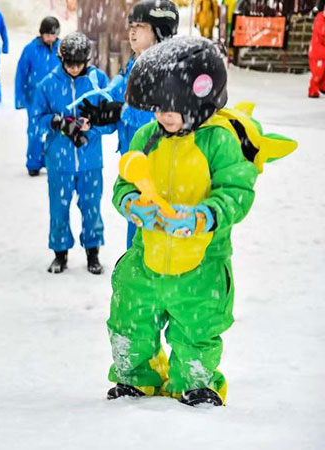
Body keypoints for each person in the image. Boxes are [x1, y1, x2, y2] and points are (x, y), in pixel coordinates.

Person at [106, 37, 258, 407]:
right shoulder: (147, 137)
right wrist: (131, 205)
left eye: (172, 107)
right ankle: (135, 375)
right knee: (130, 319)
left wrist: (205, 215)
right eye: (157, 107)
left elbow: (237, 189)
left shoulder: (219, 143)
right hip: (147, 258)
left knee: (198, 327)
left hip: (201, 265)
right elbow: (125, 181)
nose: (163, 115)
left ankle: (196, 381)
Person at [80, 0, 179, 248]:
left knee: (154, 236)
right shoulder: (133, 65)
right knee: (136, 233)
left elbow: (161, 116)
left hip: (160, 165)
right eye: (131, 26)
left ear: (160, 31)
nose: (132, 32)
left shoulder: (169, 68)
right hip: (135, 164)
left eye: (140, 26)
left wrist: (120, 111)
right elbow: (113, 100)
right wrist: (96, 117)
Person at [32, 32, 116, 275]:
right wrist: (57, 122)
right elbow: (35, 121)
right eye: (69, 63)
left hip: (90, 161)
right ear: (61, 59)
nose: (74, 68)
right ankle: (60, 253)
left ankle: (93, 252)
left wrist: (93, 126)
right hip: (59, 162)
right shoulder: (47, 84)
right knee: (59, 208)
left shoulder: (97, 80)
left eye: (79, 64)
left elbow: (111, 120)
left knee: (92, 208)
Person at [15, 16, 61, 176]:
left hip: (56, 97)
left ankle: (50, 161)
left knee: (55, 130)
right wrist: (20, 97)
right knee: (35, 130)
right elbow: (21, 74)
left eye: (53, 35)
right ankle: (33, 162)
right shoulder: (31, 49)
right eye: (47, 35)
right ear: (41, 34)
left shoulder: (61, 49)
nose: (50, 38)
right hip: (34, 97)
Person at [308, 0, 325, 98]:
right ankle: (313, 90)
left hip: (323, 53)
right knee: (318, 73)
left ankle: (323, 87)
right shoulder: (319, 19)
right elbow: (322, 34)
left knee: (323, 72)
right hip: (317, 53)